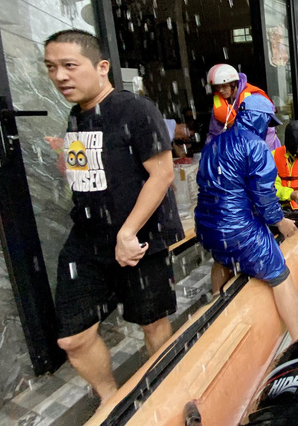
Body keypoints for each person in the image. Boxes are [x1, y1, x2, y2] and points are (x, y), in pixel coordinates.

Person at [43, 29, 183, 406]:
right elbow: (93, 173)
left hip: (139, 237)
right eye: (51, 67)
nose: (59, 77)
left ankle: (164, 397)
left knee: (151, 322)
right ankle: (110, 398)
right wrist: (66, 160)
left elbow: (162, 174)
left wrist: (128, 232)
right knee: (72, 336)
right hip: (88, 237)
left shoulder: (136, 110)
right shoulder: (76, 116)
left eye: (69, 66)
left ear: (101, 67)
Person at [195, 94, 298, 340]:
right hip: (238, 230)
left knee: (221, 259)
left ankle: (217, 308)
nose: (268, 128)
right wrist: (280, 222)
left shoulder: (214, 143)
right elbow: (264, 194)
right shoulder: (255, 146)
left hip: (206, 226)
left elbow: (206, 182)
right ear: (258, 118)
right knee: (279, 274)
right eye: (267, 122)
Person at [205, 64, 280, 151]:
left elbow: (268, 130)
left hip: (265, 147)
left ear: (233, 84)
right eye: (217, 87)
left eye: (224, 86)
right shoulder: (219, 103)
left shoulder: (254, 98)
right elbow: (214, 133)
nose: (221, 90)